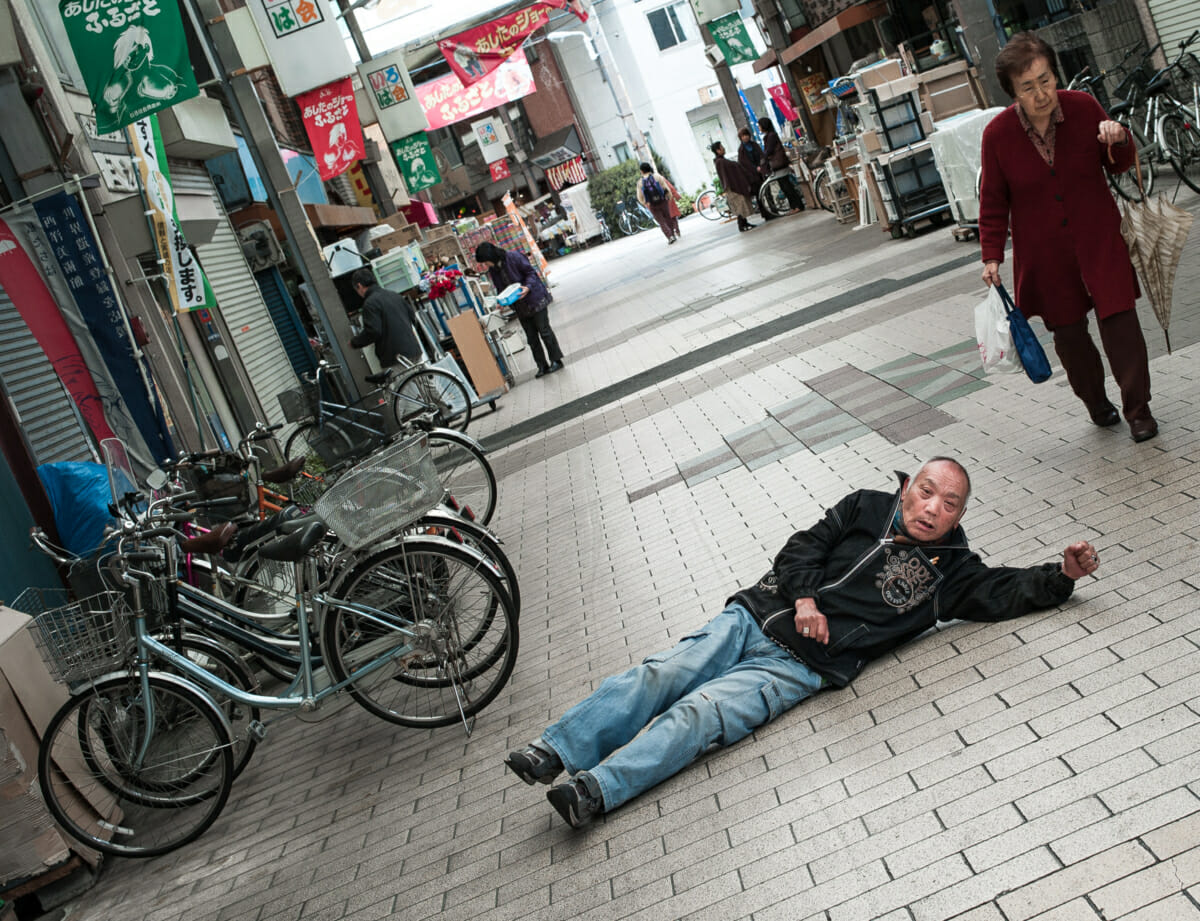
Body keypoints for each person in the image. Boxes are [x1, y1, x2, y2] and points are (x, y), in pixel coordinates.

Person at [505, 457, 1100, 828]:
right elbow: (801, 548)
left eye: (949, 504)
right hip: (756, 614)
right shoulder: (865, 506)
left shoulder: (951, 572)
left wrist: (1063, 576)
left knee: (700, 714)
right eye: (925, 492)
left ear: (958, 515)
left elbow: (1004, 591)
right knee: (662, 674)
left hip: (798, 668)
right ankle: (555, 750)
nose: (931, 509)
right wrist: (806, 600)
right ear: (908, 488)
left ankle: (594, 792)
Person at [979, 32, 1156, 443]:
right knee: (1071, 339)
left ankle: (1139, 410)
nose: (1042, 93)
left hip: (1099, 240)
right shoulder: (998, 136)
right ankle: (1096, 402)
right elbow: (992, 201)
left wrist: (1119, 138)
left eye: (1046, 80)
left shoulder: (1082, 107)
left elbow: (1119, 164)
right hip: (1046, 257)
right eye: (1028, 87)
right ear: (1013, 93)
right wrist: (991, 255)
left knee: (1122, 327)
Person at [474, 241, 564, 378]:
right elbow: (500, 287)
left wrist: (527, 287)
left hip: (535, 299)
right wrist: (501, 302)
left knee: (544, 331)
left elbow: (531, 273)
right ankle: (542, 365)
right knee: (531, 337)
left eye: (486, 262)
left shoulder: (513, 257)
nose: (485, 265)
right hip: (519, 305)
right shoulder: (493, 270)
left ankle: (556, 360)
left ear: (491, 256)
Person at [348, 267, 423, 368]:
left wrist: (355, 342)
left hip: (395, 357)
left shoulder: (370, 304)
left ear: (359, 286)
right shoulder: (394, 295)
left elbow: (373, 331)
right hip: (414, 349)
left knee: (405, 382)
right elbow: (412, 317)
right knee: (423, 381)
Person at [759, 118, 806, 213]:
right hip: (778, 165)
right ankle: (794, 206)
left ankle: (797, 205)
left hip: (779, 164)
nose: (759, 128)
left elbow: (769, 150)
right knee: (785, 186)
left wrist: (763, 157)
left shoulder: (771, 136)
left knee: (786, 186)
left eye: (759, 125)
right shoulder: (770, 135)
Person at [711, 141, 756, 232]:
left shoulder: (721, 161)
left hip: (733, 186)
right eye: (721, 147)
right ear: (718, 150)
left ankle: (744, 223)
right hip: (732, 187)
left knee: (740, 205)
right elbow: (728, 174)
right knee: (739, 206)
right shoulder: (721, 162)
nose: (723, 148)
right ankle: (742, 225)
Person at [635, 162, 681, 243]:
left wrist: (645, 203)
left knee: (661, 221)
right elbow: (665, 187)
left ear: (641, 171)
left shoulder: (640, 182)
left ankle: (669, 236)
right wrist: (669, 197)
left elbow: (639, 197)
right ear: (650, 168)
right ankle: (673, 234)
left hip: (652, 205)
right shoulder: (657, 176)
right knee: (667, 217)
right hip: (662, 201)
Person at [736, 128, 770, 220]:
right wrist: (754, 169)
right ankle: (765, 213)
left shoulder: (754, 145)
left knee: (768, 191)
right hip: (752, 176)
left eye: (746, 135)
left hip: (762, 172)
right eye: (743, 136)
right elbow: (743, 164)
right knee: (759, 195)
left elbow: (762, 156)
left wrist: (761, 166)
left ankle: (772, 210)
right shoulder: (741, 150)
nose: (745, 137)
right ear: (740, 138)